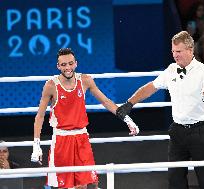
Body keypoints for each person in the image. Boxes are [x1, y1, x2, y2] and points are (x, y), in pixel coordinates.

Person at [116, 31, 204, 189]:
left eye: (178, 51)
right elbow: (151, 87)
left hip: (201, 130)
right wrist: (129, 103)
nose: (175, 55)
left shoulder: (203, 71)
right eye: (173, 51)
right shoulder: (171, 69)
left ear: (190, 50)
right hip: (178, 130)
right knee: (175, 179)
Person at [31, 48, 139, 189]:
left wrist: (127, 119)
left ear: (76, 63)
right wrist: (36, 144)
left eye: (70, 63)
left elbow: (106, 101)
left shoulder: (85, 80)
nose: (68, 67)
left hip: (82, 137)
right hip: (61, 140)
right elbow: (40, 116)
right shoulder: (51, 86)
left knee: (85, 185)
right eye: (63, 65)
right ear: (58, 66)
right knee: (65, 187)